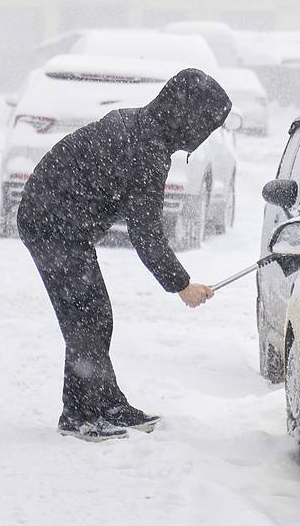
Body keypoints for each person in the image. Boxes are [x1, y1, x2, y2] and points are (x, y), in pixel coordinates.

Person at [17, 68, 232, 442]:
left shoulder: (146, 128)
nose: (204, 135)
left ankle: (100, 406)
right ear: (188, 117)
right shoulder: (147, 147)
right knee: (87, 316)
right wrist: (181, 285)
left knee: (92, 315)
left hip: (60, 221)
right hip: (50, 222)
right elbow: (146, 233)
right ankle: (84, 414)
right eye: (205, 125)